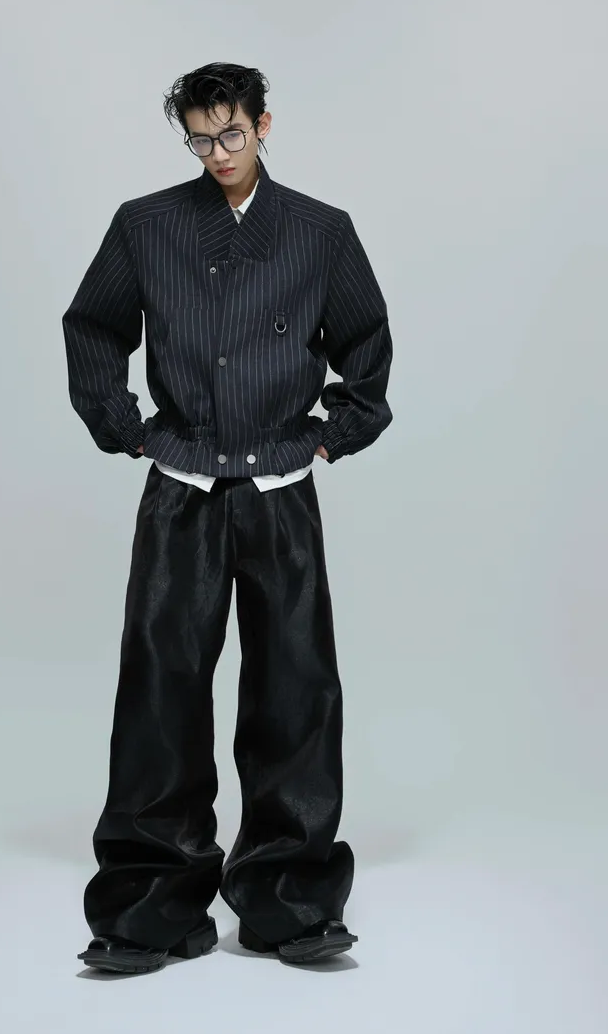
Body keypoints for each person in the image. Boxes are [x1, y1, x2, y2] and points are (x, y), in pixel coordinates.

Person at [62, 62, 393, 975]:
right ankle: (150, 901)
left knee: (296, 688)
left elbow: (367, 343)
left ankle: (291, 897)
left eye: (232, 134)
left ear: (264, 124)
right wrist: (127, 428)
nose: (217, 153)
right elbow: (93, 328)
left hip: (280, 486)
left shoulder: (321, 232)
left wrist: (330, 434)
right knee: (160, 687)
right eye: (200, 139)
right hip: (182, 483)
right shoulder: (146, 225)